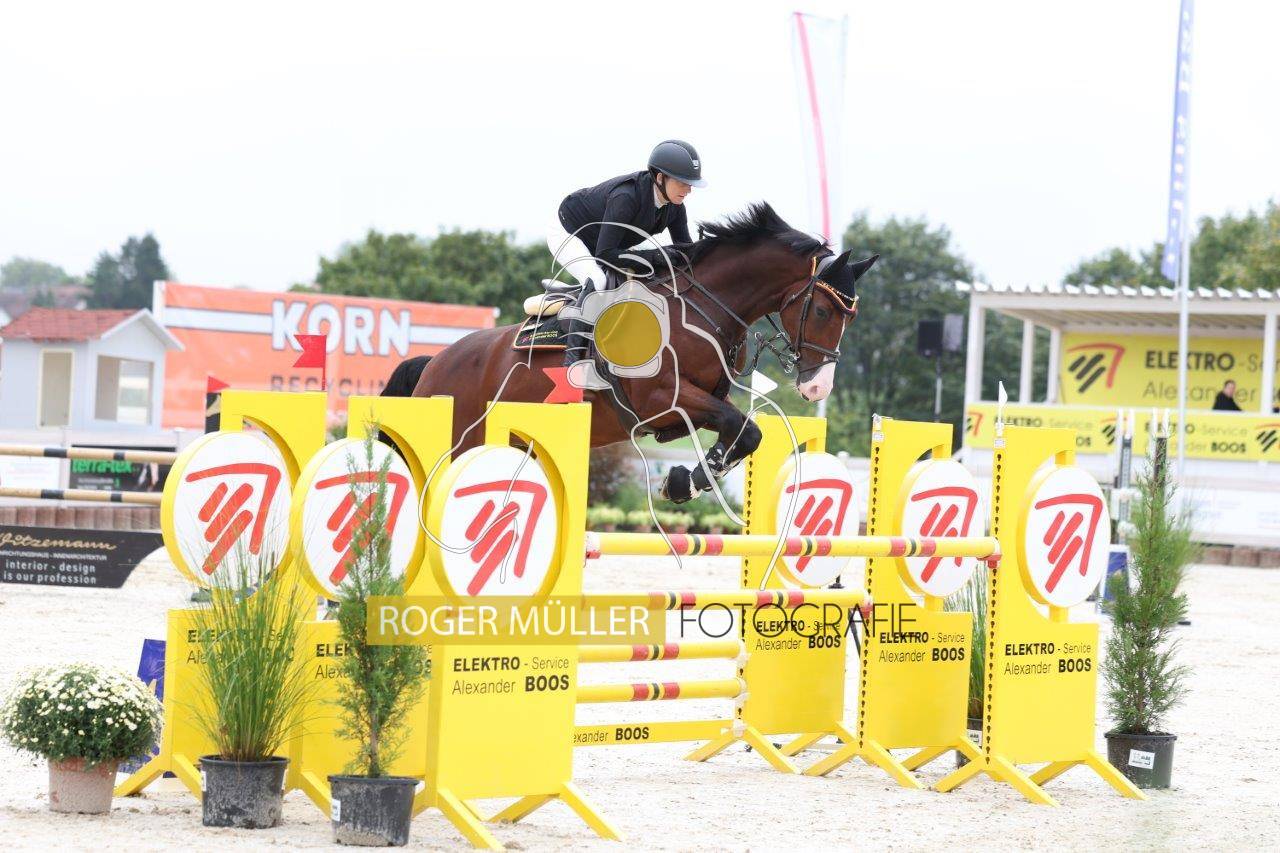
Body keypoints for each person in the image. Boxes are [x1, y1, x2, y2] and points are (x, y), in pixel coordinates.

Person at [547, 140, 706, 368]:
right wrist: (657, 256)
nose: (688, 190)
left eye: (690, 184)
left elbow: (684, 250)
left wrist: (709, 252)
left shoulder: (675, 207)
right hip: (569, 232)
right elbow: (605, 255)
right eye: (683, 182)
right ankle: (571, 362)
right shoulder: (626, 197)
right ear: (660, 178)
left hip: (605, 241)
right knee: (598, 280)